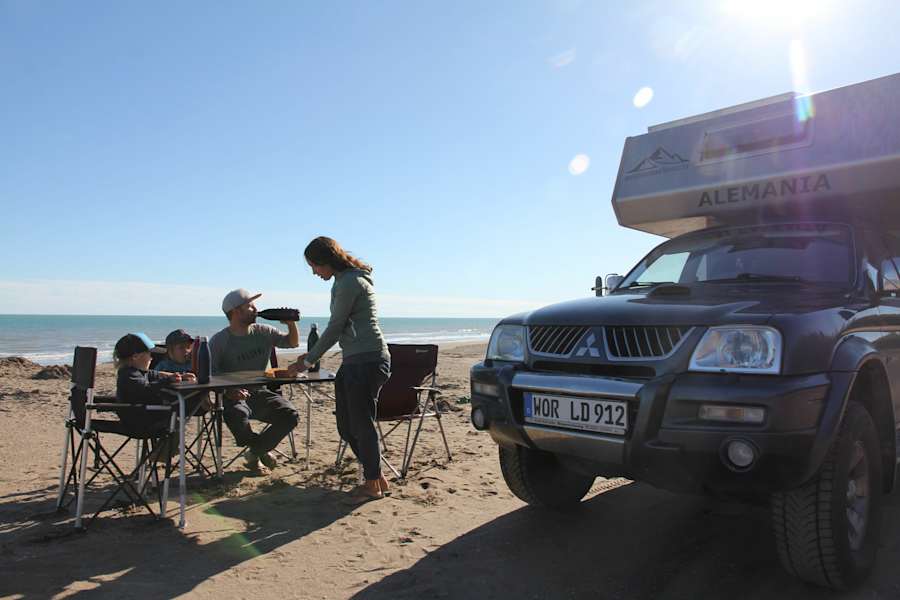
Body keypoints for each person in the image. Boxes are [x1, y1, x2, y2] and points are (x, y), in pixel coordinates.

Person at [288, 237, 391, 501]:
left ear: (326, 261)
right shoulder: (343, 281)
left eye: (314, 266)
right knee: (346, 427)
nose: (314, 272)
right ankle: (376, 475)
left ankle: (371, 483)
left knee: (361, 423)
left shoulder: (348, 282)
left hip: (367, 360)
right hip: (354, 360)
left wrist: (307, 361)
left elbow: (334, 328)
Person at [209, 289, 300, 471]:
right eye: (249, 306)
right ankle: (260, 450)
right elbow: (211, 375)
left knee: (290, 415)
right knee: (238, 415)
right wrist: (229, 391)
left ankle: (255, 452)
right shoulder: (220, 341)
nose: (255, 309)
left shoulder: (263, 331)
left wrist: (290, 324)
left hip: (259, 392)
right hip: (232, 396)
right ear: (235, 312)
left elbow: (292, 343)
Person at [113, 332, 196, 435]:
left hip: (146, 414)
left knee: (174, 421)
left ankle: (164, 450)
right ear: (135, 357)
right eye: (149, 354)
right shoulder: (129, 374)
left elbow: (155, 374)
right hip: (138, 421)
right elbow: (145, 389)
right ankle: (162, 452)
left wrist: (176, 376)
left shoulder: (137, 372)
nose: (151, 358)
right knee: (173, 425)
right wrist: (167, 381)